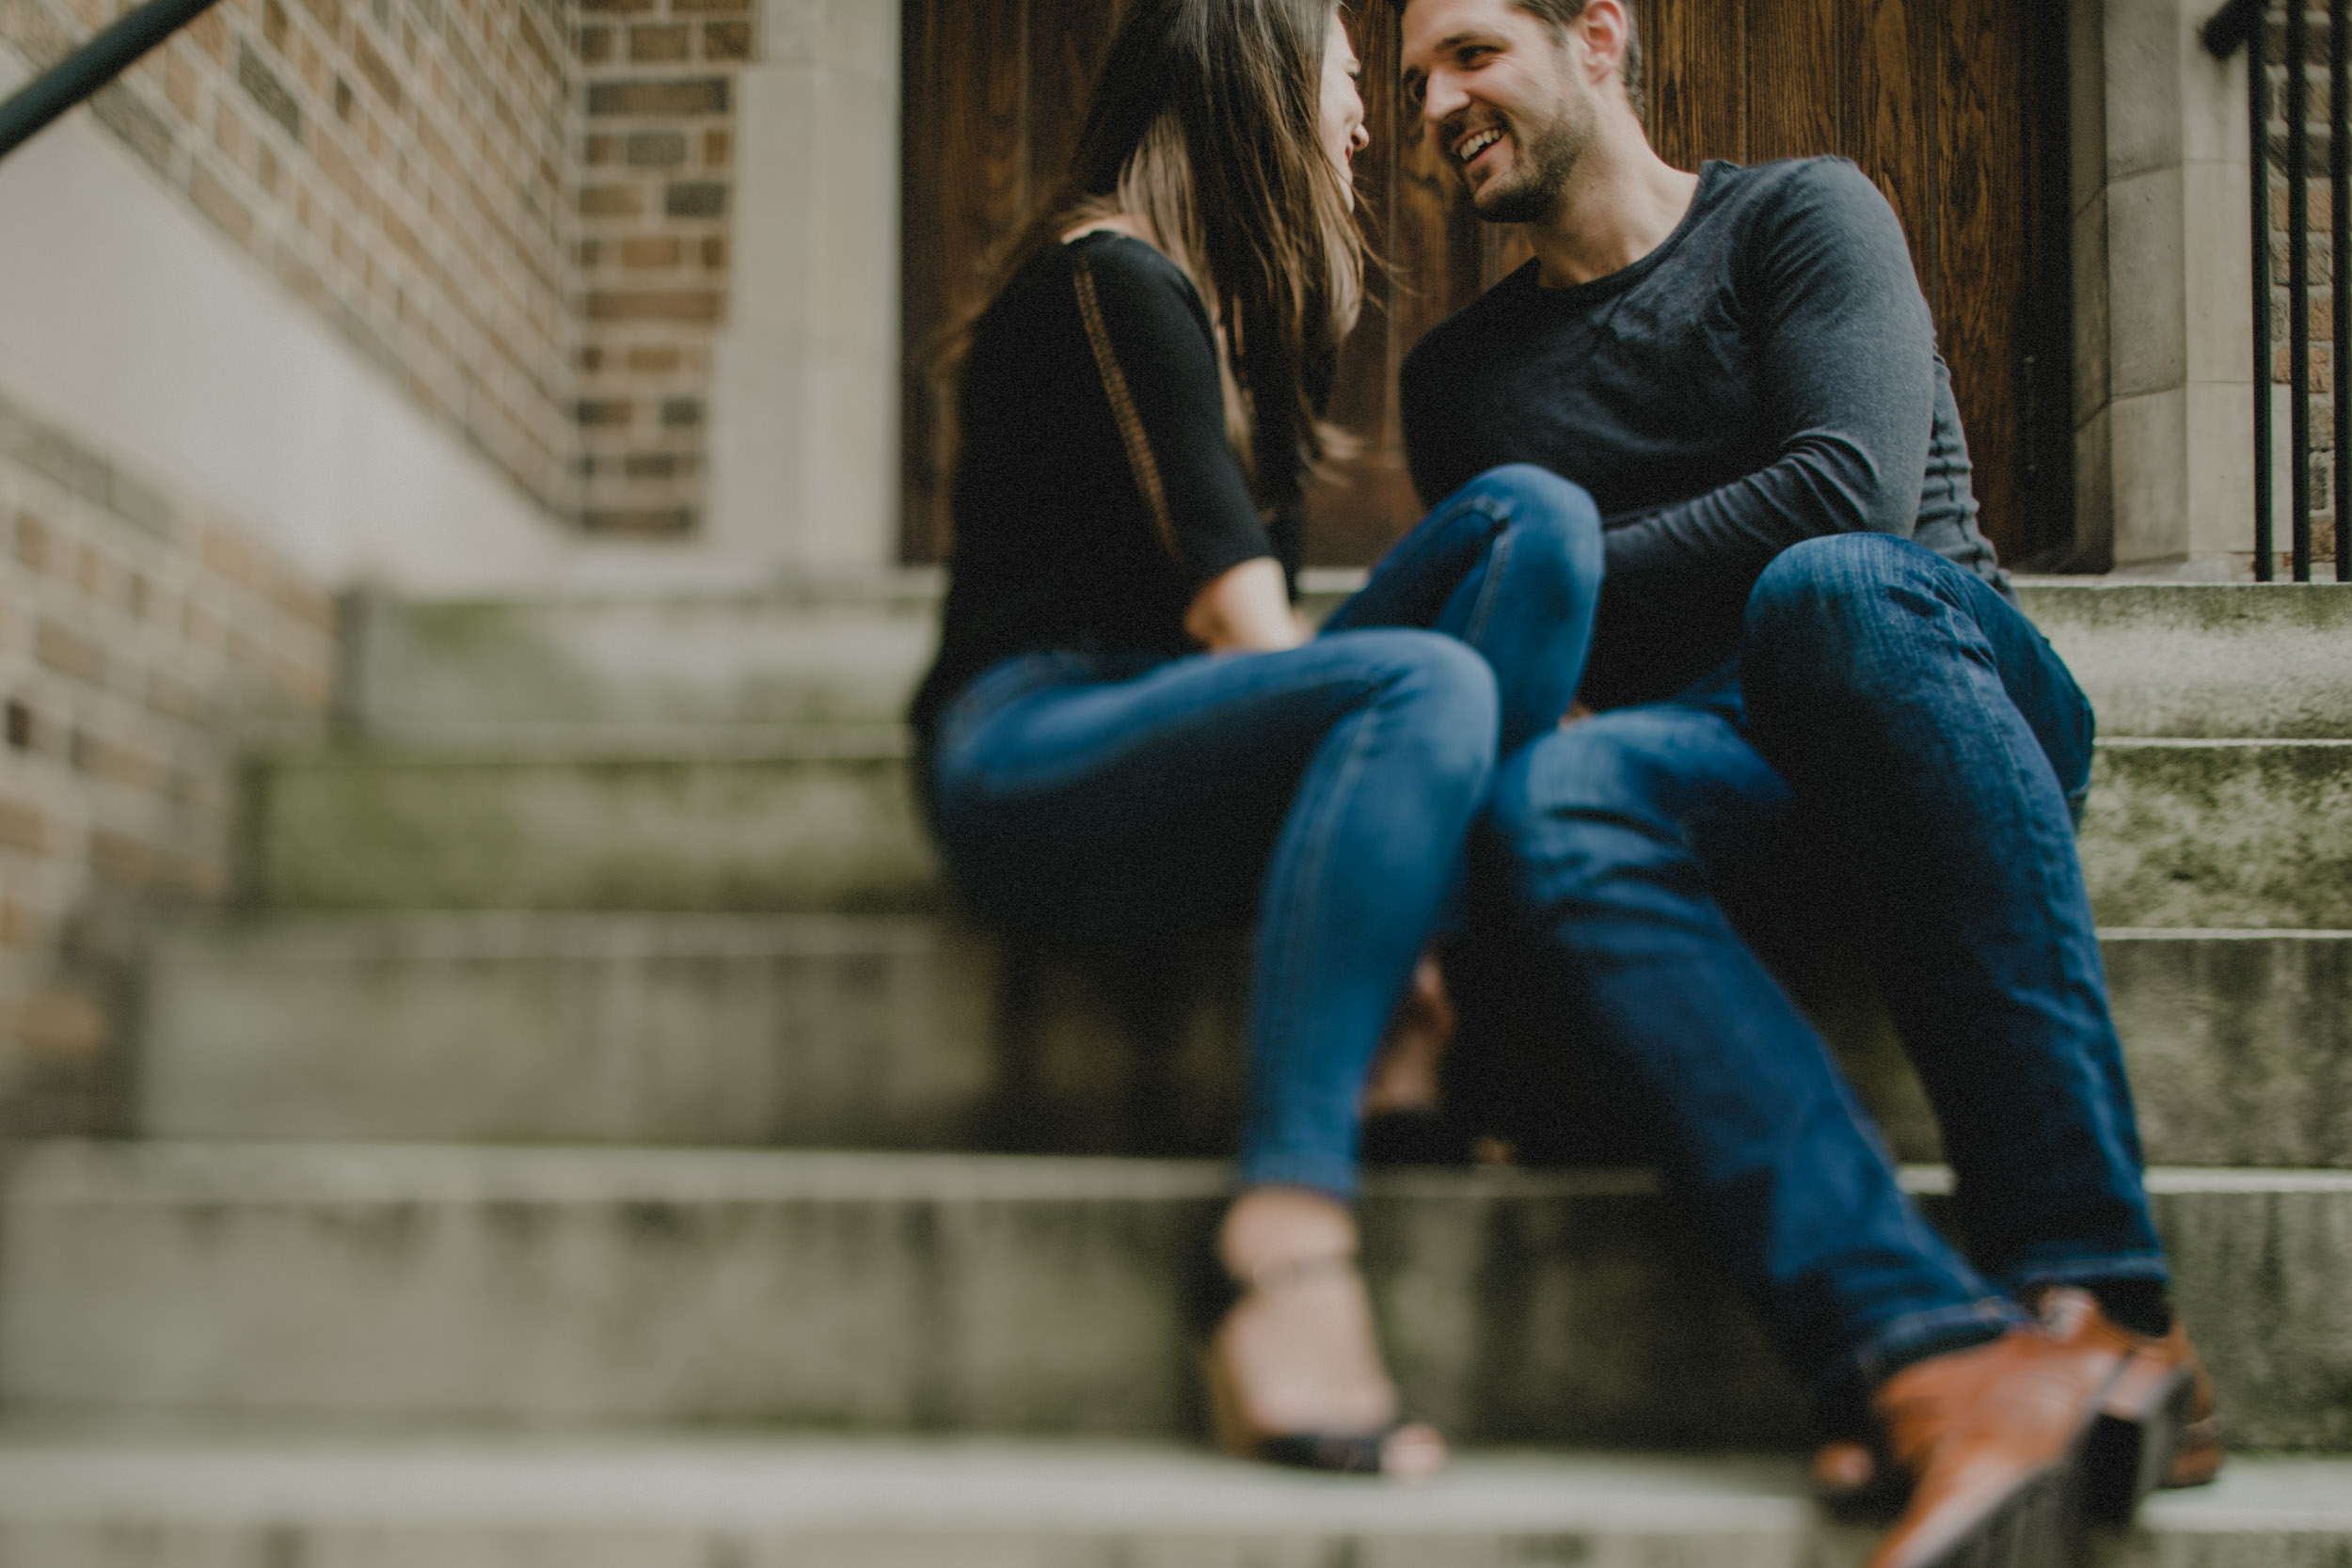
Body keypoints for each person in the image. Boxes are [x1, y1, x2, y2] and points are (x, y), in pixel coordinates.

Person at [1390, 0, 2217, 1560]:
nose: (1437, 100)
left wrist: (1561, 574)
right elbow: (1524, 657)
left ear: (1597, 38)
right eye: (1417, 76)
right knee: (1555, 804)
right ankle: (1931, 1352)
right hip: (1716, 771)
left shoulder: (1800, 214)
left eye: (1473, 50)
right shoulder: (1460, 381)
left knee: (1826, 583)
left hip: (1925, 693)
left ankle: (2103, 1304)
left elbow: (1847, 483)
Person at [909, 0, 1604, 1477]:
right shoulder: (1107, 277)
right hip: (1034, 750)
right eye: (1351, 84)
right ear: (1256, 86)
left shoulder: (1249, 326)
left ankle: (1410, 1041)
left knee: (1534, 526)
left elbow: (1263, 667)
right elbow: (1243, 627)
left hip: (1176, 747)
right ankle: (1281, 1227)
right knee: (1422, 690)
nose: (1371, 124)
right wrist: (1402, 917)